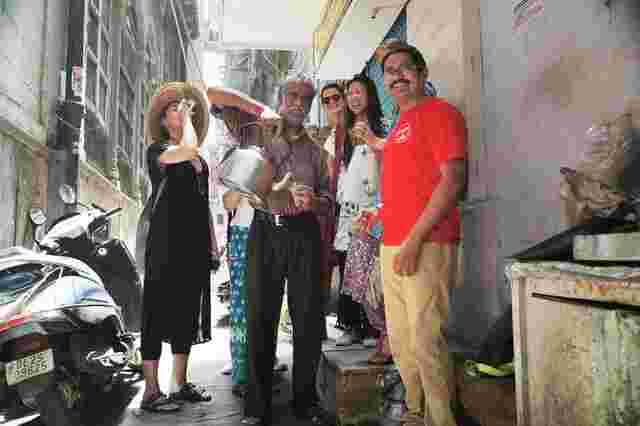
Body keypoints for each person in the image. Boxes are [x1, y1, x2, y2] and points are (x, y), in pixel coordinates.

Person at [365, 43, 468, 426]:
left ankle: (441, 420)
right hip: (393, 244)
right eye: (390, 71)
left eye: (405, 68)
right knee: (403, 341)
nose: (397, 75)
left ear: (422, 74)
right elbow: (409, 187)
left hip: (427, 243)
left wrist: (413, 241)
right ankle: (415, 412)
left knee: (426, 339)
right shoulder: (398, 126)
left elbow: (452, 181)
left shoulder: (441, 114)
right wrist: (378, 216)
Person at [242, 77, 332, 426]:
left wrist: (316, 202)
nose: (298, 103)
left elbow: (329, 200)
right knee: (260, 316)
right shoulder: (261, 136)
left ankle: (305, 402)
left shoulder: (317, 152)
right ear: (280, 100)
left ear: (309, 106)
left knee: (308, 318)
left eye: (304, 99)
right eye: (292, 96)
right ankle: (257, 405)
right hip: (265, 229)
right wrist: (273, 141)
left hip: (303, 233)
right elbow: (252, 188)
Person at [139, 82, 220, 412]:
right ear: (162, 120)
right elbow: (185, 150)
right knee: (156, 313)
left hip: (194, 243)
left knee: (187, 312)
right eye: (174, 109)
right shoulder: (158, 151)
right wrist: (189, 123)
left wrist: (213, 243)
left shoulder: (198, 157)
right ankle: (151, 391)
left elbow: (204, 201)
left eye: (184, 109)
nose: (181, 113)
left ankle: (180, 383)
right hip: (164, 242)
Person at [204, 85, 280, 398]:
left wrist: (259, 112)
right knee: (240, 306)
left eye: (234, 116)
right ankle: (242, 371)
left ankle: (263, 364)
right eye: (226, 118)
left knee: (267, 304)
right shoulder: (233, 154)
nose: (229, 123)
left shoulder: (274, 142)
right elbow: (231, 201)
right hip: (241, 235)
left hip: (272, 234)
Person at [338, 74, 392, 363]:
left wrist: (371, 140)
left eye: (358, 91)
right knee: (360, 280)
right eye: (350, 94)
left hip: (380, 216)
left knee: (378, 281)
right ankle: (384, 335)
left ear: (370, 94)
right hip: (356, 218)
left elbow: (388, 167)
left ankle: (388, 339)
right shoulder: (347, 133)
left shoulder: (382, 128)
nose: (353, 97)